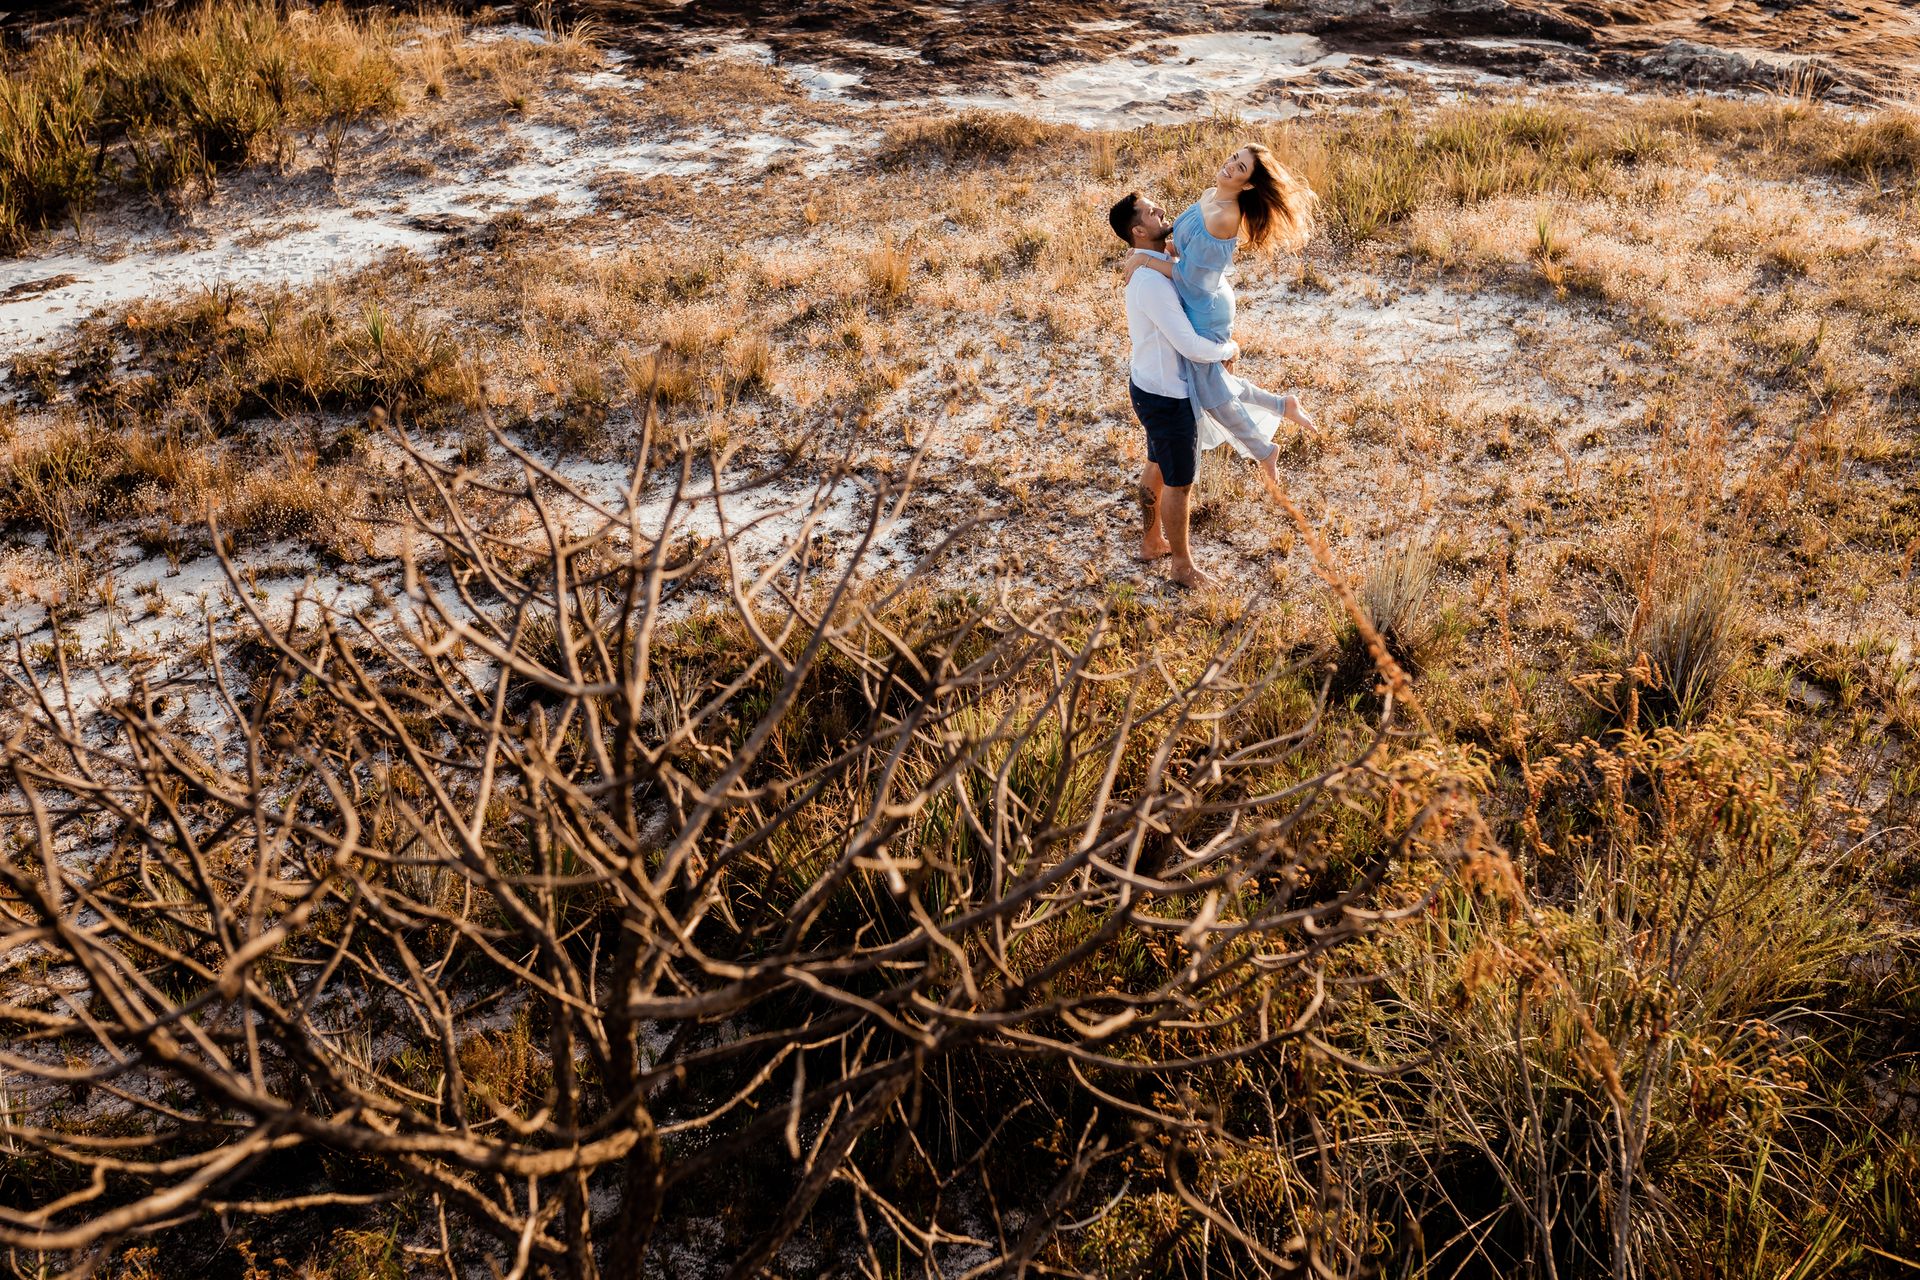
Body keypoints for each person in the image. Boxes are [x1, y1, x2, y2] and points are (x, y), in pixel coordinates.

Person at [1124, 143, 1319, 462]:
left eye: (1240, 168)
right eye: (1233, 158)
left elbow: (1189, 278)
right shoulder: (1209, 195)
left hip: (1206, 306)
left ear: (1249, 184)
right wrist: (1151, 252)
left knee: (1209, 392)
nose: (1230, 166)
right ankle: (1283, 405)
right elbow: (1185, 247)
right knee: (1214, 379)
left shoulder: (1225, 218)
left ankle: (1264, 451)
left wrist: (1145, 260)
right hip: (1205, 293)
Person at [1109, 191, 1242, 588]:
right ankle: (1182, 567)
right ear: (1137, 230)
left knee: (1157, 463)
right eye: (1152, 212)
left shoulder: (1155, 263)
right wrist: (1229, 349)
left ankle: (1151, 542)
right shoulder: (1150, 283)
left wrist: (1152, 255)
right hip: (1167, 396)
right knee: (1180, 483)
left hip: (1149, 386)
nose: (1161, 211)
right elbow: (1188, 345)